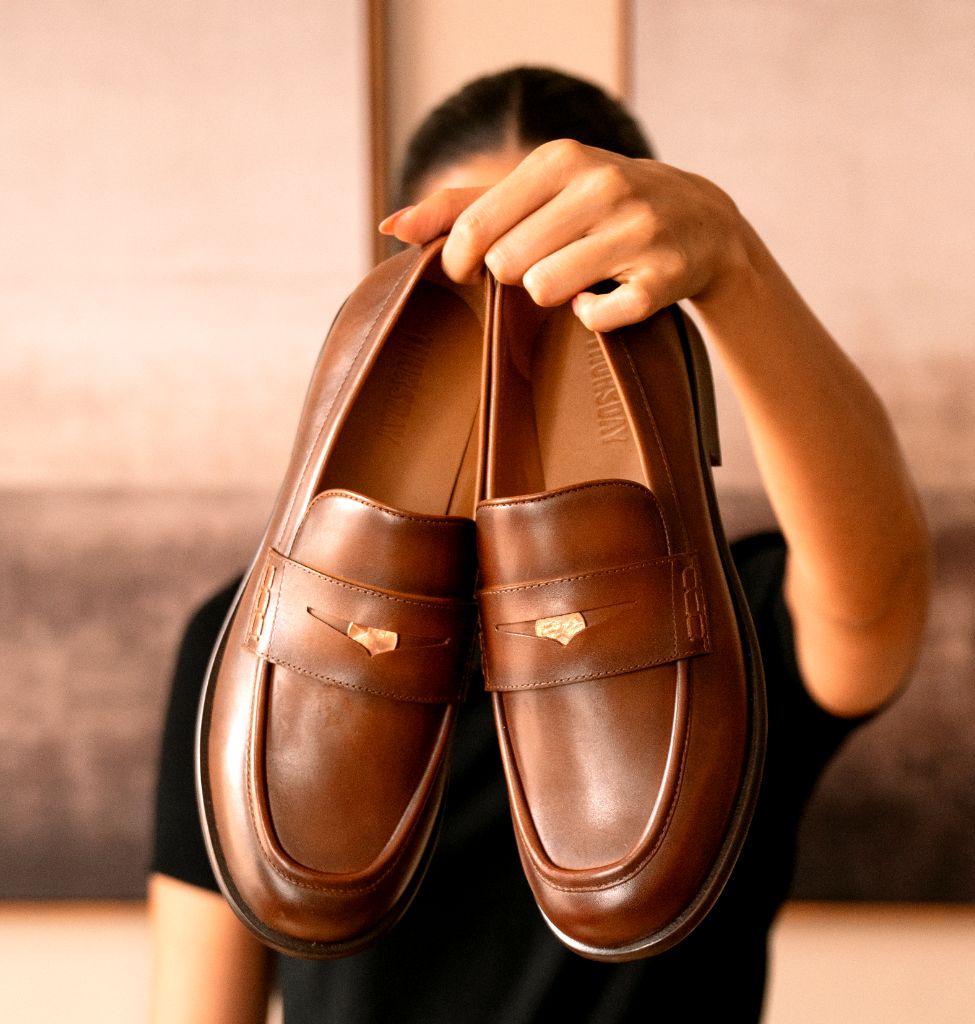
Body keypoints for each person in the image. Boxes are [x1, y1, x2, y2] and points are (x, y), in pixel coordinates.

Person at [149, 67, 931, 1023]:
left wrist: (731, 262)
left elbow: (879, 591)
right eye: (473, 265)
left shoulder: (740, 622)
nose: (516, 312)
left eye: (569, 267)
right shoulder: (235, 639)